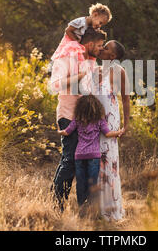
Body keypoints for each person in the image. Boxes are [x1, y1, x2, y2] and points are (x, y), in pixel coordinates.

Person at [49, 27, 107, 212]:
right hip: (67, 116)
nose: (101, 49)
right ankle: (56, 206)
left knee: (71, 162)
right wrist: (81, 76)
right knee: (70, 161)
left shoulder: (91, 61)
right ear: (89, 44)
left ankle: (61, 204)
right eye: (99, 46)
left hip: (83, 121)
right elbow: (55, 85)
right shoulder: (71, 57)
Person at [57, 95, 123, 207]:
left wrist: (59, 131)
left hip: (79, 155)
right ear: (96, 108)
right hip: (93, 156)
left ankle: (81, 207)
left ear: (80, 108)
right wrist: (118, 132)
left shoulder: (77, 121)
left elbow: (67, 132)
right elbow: (107, 133)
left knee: (80, 183)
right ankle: (91, 208)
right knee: (92, 183)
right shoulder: (99, 121)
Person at [94, 40, 130, 221]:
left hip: (111, 122)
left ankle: (111, 211)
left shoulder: (119, 72)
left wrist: (126, 124)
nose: (102, 49)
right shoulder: (96, 69)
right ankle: (97, 209)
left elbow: (125, 99)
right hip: (95, 124)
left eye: (106, 48)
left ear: (113, 56)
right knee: (96, 164)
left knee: (109, 164)